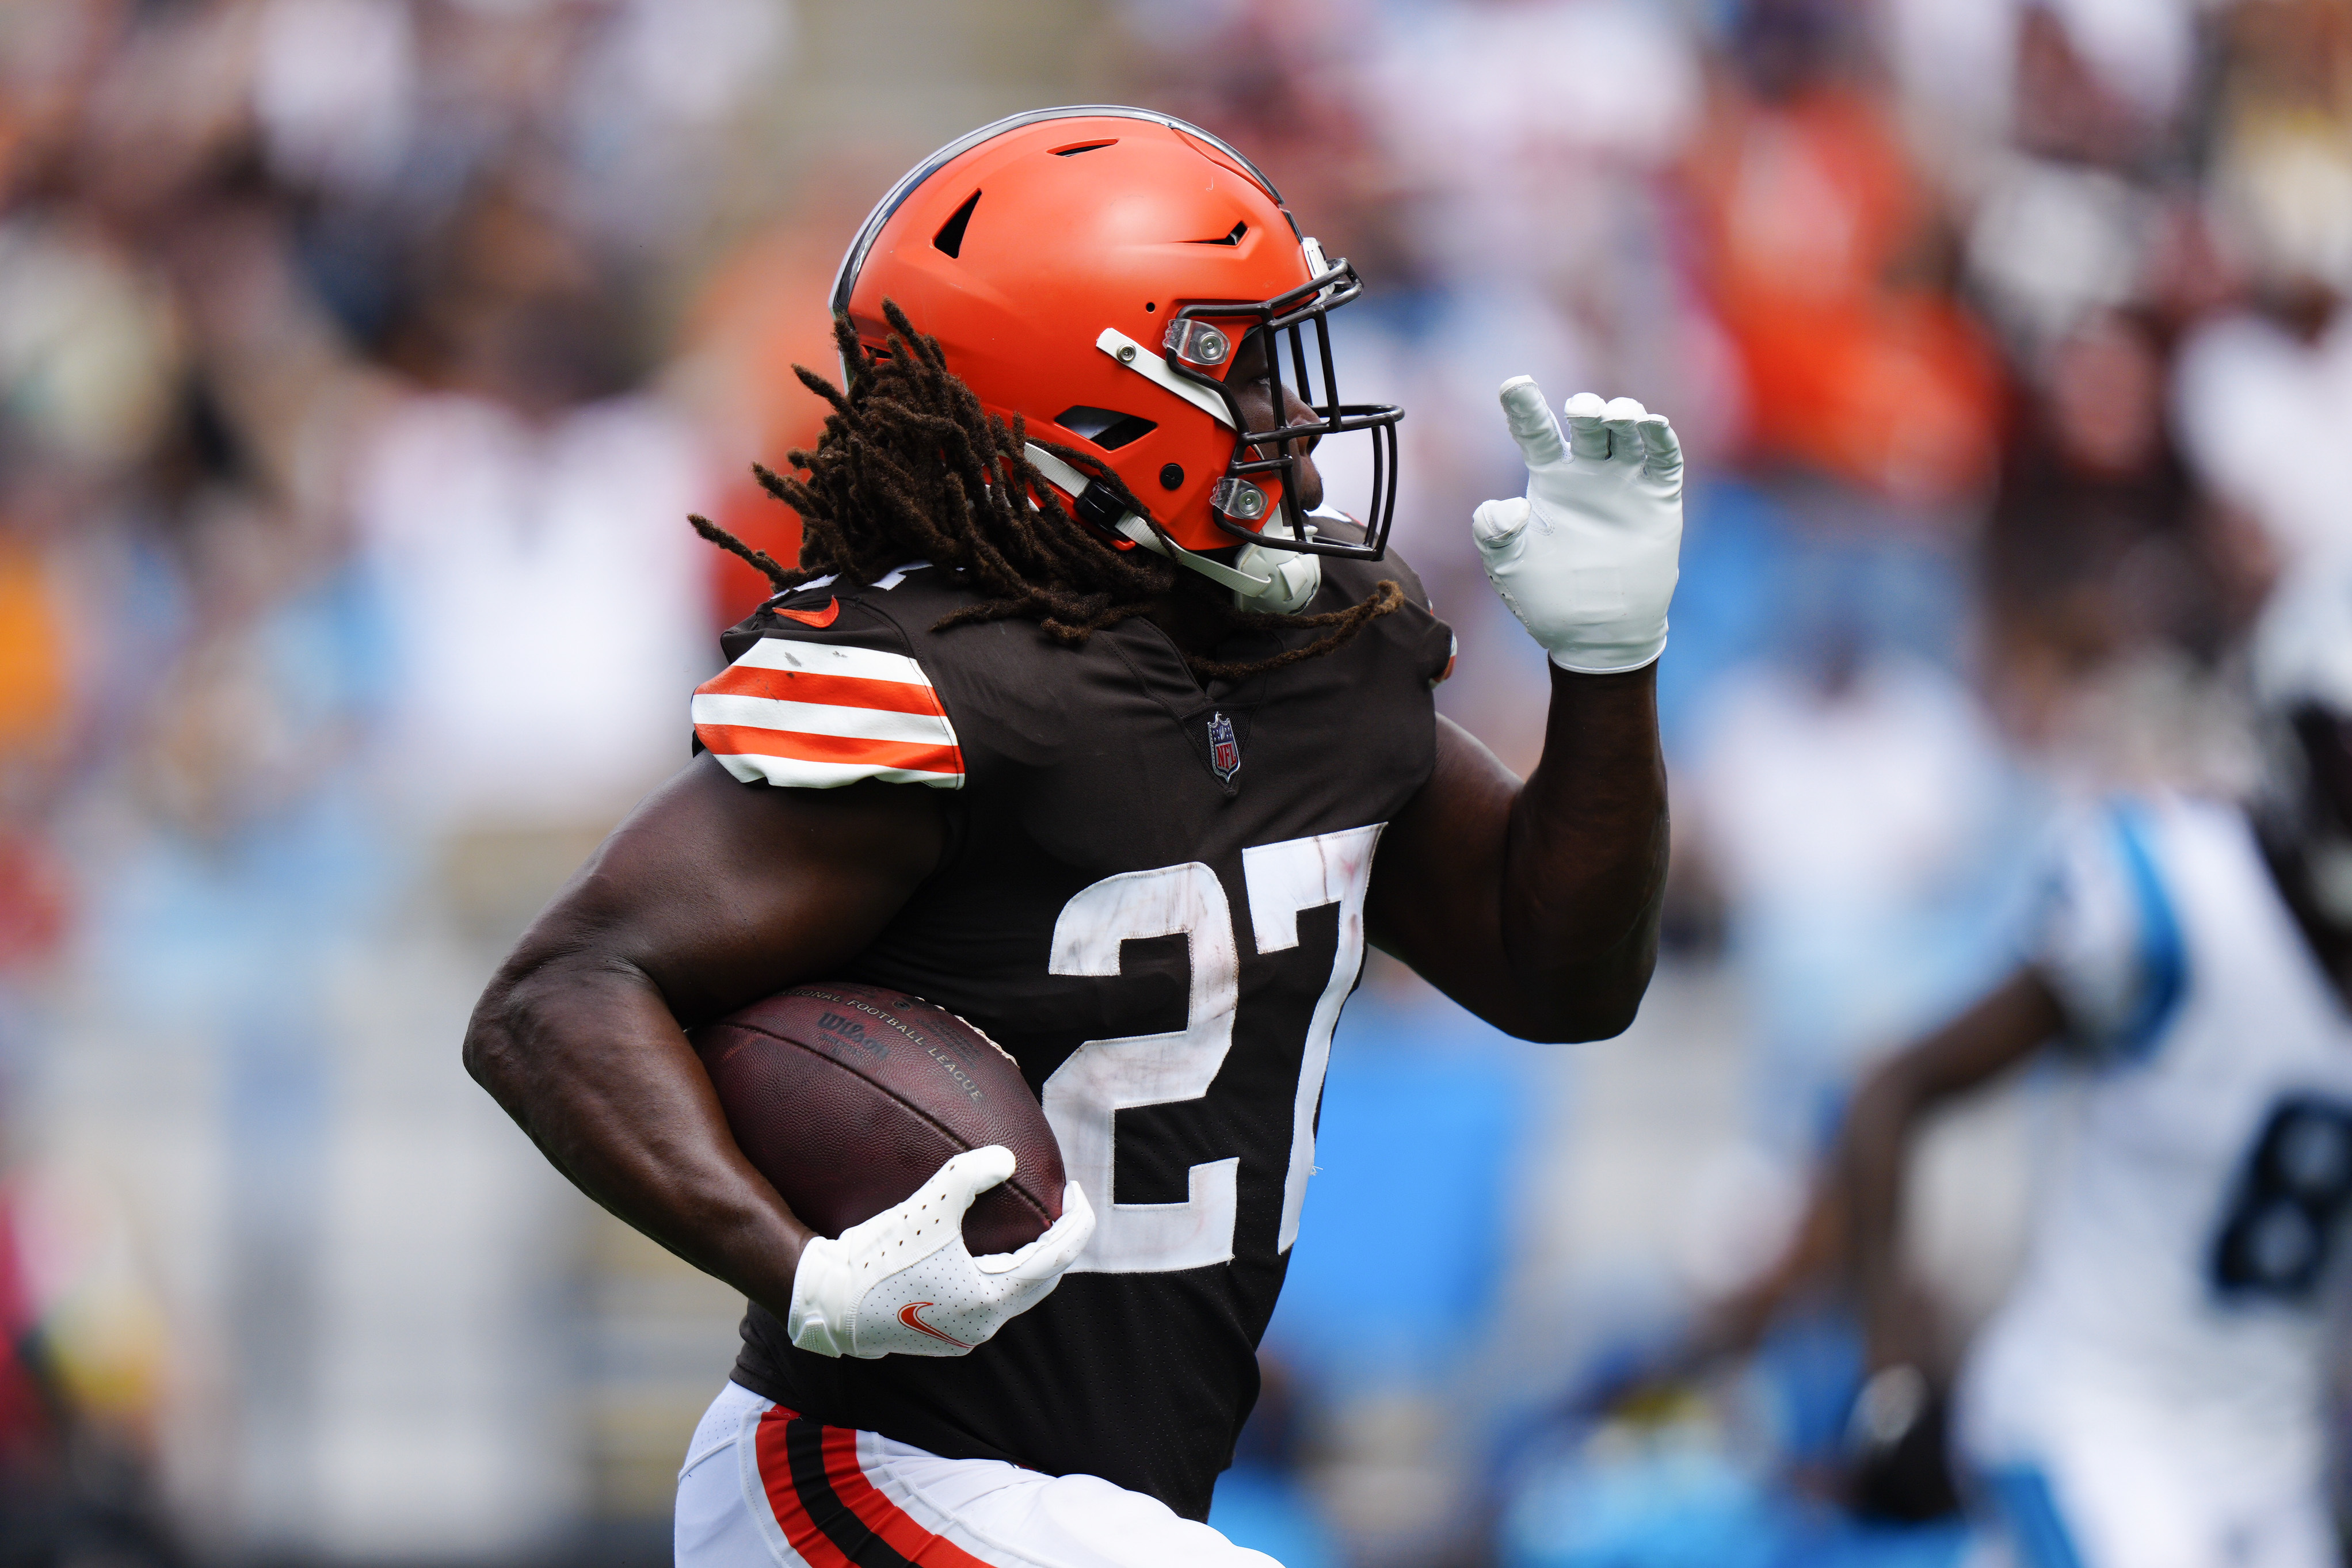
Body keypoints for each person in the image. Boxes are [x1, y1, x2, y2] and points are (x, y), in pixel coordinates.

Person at [463, 106, 1684, 1568]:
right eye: (1244, 366)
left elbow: (1563, 978)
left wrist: (1608, 668)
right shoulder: (951, 685)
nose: (1297, 419)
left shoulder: (1324, 657)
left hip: (1117, 1508)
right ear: (1096, 407)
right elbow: (555, 997)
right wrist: (799, 1270)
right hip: (876, 1472)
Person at [1759, 558, 2352, 1567]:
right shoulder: (2178, 896)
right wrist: (1896, 1390)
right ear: (2299, 737)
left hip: (2272, 1455)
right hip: (2095, 1424)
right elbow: (1893, 1089)